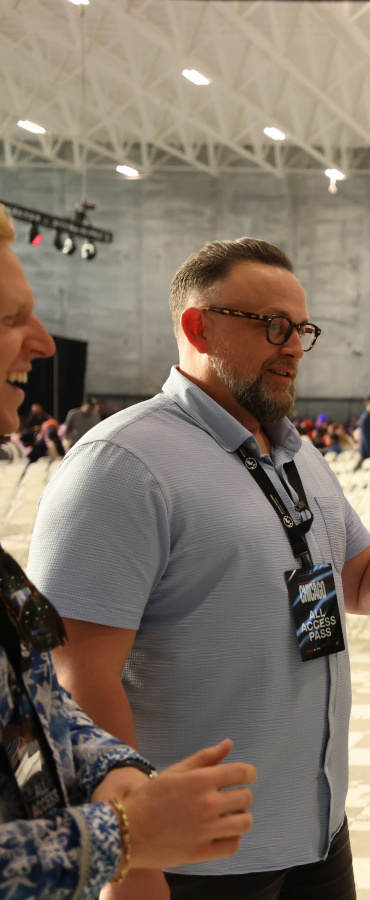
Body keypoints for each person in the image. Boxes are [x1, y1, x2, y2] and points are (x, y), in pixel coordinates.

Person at [28, 238, 370, 900]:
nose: (293, 347)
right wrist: (132, 853)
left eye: (302, 330)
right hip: (198, 859)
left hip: (316, 829)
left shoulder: (297, 455)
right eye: (272, 325)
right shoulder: (122, 463)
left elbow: (359, 582)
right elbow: (76, 677)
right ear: (197, 327)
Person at [0, 203, 261, 898]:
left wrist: (122, 780)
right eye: (10, 319)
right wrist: (125, 839)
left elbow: (39, 710)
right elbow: (83, 668)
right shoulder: (120, 461)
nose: (43, 343)